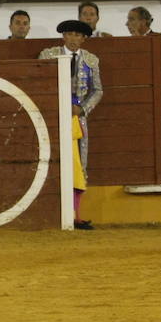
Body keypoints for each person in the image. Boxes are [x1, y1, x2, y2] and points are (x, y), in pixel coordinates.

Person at [39, 19, 101, 229]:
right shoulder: (48, 55)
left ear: (84, 39)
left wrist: (81, 108)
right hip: (52, 119)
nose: (74, 39)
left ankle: (76, 216)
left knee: (78, 166)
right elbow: (41, 84)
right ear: (63, 36)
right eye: (70, 34)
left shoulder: (91, 60)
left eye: (78, 35)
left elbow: (98, 90)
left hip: (77, 120)